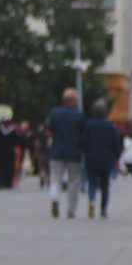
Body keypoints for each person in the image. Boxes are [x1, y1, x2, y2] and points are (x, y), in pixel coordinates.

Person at [46, 88, 85, 219]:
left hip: (57, 151)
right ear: (74, 101)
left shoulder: (55, 113)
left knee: (55, 179)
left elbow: (49, 130)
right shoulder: (79, 116)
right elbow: (83, 134)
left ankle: (55, 199)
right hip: (74, 152)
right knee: (74, 181)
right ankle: (71, 209)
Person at [81, 100, 122, 219]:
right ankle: (103, 209)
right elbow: (116, 143)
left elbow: (83, 141)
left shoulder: (88, 125)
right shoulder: (110, 126)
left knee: (92, 182)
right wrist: (117, 155)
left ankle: (92, 200)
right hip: (106, 158)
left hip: (91, 157)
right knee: (105, 184)